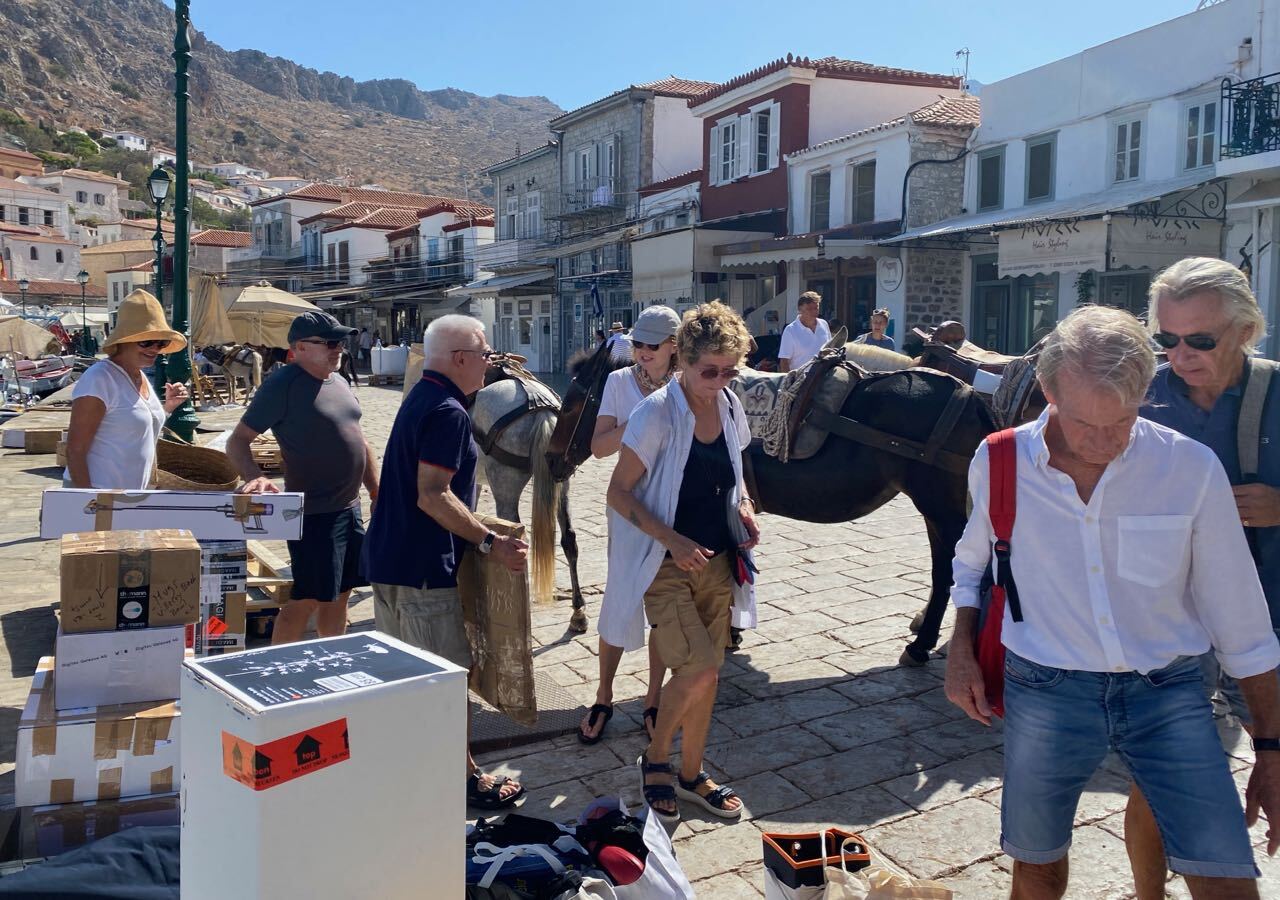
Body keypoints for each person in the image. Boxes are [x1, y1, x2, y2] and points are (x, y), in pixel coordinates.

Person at [944, 305, 1280, 900]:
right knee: (1037, 869)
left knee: (1225, 875)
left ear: (1145, 393)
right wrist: (961, 650)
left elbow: (1242, 622)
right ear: (1047, 389)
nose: (1102, 443)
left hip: (1168, 691)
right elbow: (975, 562)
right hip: (1044, 687)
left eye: (1122, 421)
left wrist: (1272, 748)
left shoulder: (1188, 468)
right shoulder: (999, 461)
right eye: (1083, 423)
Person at [1125, 257, 1280, 899]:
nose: (1180, 355)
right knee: (1153, 781)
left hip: (1270, 616)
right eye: (1166, 338)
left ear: (1245, 331)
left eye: (1200, 340)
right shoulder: (1142, 398)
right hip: (1174, 625)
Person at [362, 314, 529, 811]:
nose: (489, 363)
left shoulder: (420, 395)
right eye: (485, 354)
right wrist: (489, 541)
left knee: (407, 678)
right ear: (460, 359)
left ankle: (414, 767)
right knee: (444, 681)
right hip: (421, 570)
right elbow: (432, 494)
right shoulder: (449, 411)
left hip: (390, 561)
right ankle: (461, 778)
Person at [606, 300, 759, 827]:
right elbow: (618, 492)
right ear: (684, 361)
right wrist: (671, 540)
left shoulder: (730, 406)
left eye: (729, 371)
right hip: (665, 562)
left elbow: (735, 475)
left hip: (717, 560)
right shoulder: (655, 414)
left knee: (708, 676)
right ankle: (655, 760)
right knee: (700, 667)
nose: (719, 382)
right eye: (709, 371)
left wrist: (745, 506)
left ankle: (692, 775)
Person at [227, 312, 380, 645]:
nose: (338, 349)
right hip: (313, 513)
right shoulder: (283, 385)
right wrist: (254, 476)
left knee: (341, 591)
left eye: (340, 342)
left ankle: (332, 654)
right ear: (299, 347)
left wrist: (375, 489)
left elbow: (359, 438)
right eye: (329, 343)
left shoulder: (338, 381)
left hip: (349, 509)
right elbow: (237, 441)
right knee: (306, 598)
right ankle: (277, 663)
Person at [578, 304, 681, 745]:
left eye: (651, 345)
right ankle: (603, 695)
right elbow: (599, 447)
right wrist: (641, 421)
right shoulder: (619, 382)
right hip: (629, 503)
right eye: (637, 343)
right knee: (619, 599)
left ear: (674, 346)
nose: (642, 351)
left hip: (674, 506)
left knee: (663, 606)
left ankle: (653, 697)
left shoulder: (686, 385)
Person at [64, 289, 190, 490]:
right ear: (124, 341)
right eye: (146, 342)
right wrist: (91, 500)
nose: (154, 349)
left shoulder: (139, 375)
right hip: (100, 494)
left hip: (129, 496)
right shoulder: (100, 378)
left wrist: (168, 407)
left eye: (161, 343)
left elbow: (136, 429)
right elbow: (75, 450)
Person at [777, 291, 831, 372]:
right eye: (809, 309)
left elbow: (830, 350)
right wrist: (789, 379)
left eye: (816, 308)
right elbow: (784, 361)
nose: (814, 311)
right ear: (800, 309)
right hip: (800, 378)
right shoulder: (790, 330)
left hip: (823, 376)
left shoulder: (824, 324)